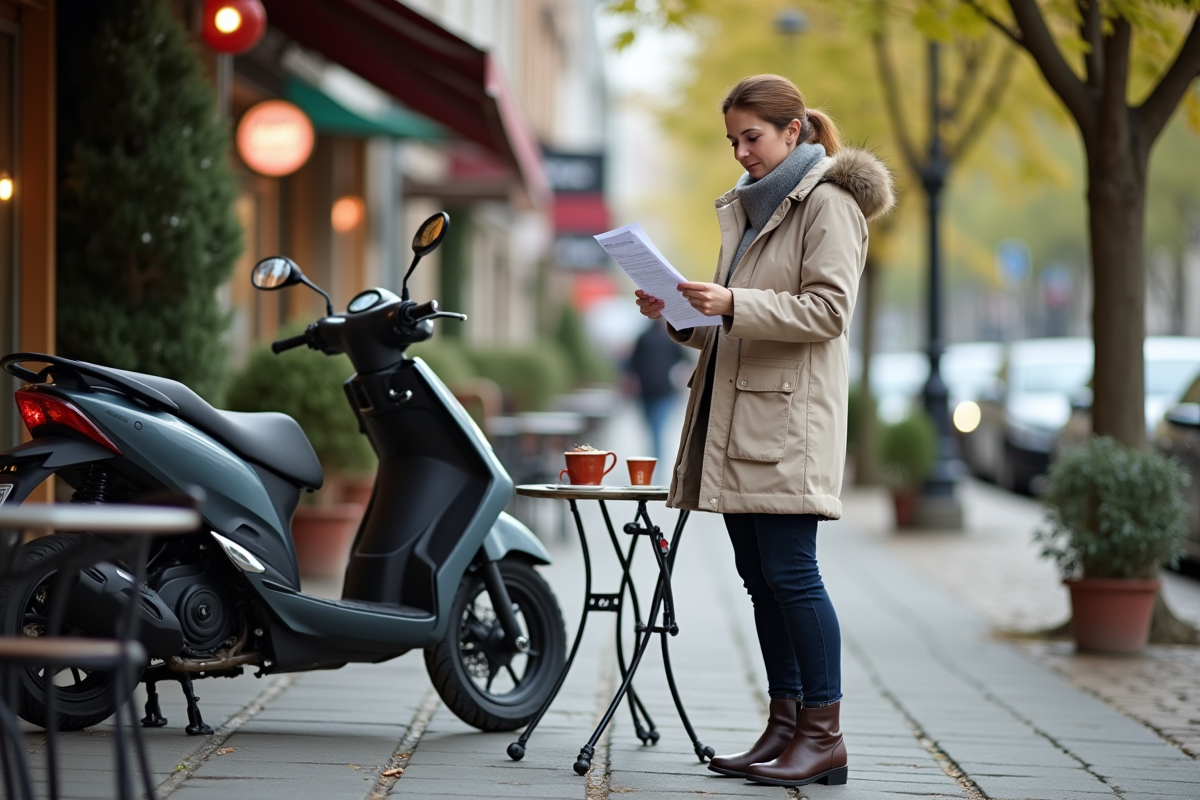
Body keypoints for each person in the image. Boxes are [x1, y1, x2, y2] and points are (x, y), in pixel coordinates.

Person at [634, 74, 894, 788]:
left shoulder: (829, 203)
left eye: (751, 137)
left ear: (792, 131)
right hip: (740, 421)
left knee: (792, 576)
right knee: (759, 580)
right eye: (732, 141)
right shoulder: (754, 206)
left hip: (786, 427)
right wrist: (680, 314)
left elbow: (828, 312)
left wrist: (732, 301)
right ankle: (785, 727)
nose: (741, 152)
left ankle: (824, 735)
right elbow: (737, 324)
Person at [625, 318, 686, 475]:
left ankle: (654, 462)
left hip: (650, 391)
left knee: (655, 427)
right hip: (662, 390)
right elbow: (684, 360)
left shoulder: (643, 337)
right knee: (656, 427)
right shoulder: (670, 339)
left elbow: (632, 364)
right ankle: (655, 462)